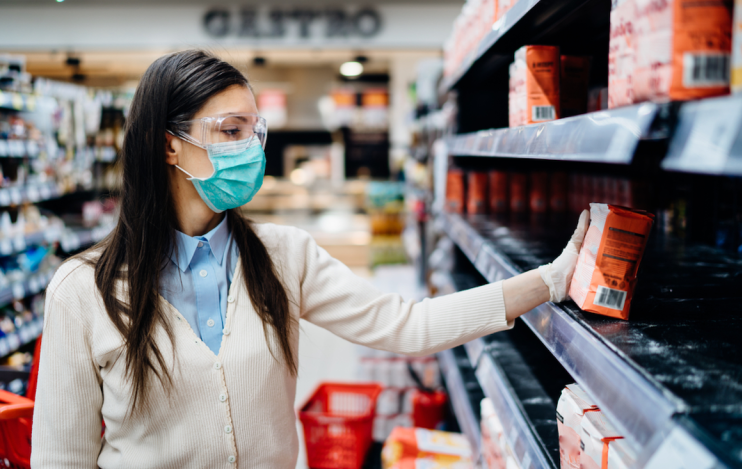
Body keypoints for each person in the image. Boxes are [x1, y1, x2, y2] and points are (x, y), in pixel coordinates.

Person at [30, 50, 588, 468]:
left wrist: (549, 280)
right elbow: (61, 458)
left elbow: (408, 326)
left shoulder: (282, 256)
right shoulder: (83, 290)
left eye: (254, 132)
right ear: (168, 143)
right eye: (230, 131)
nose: (251, 150)